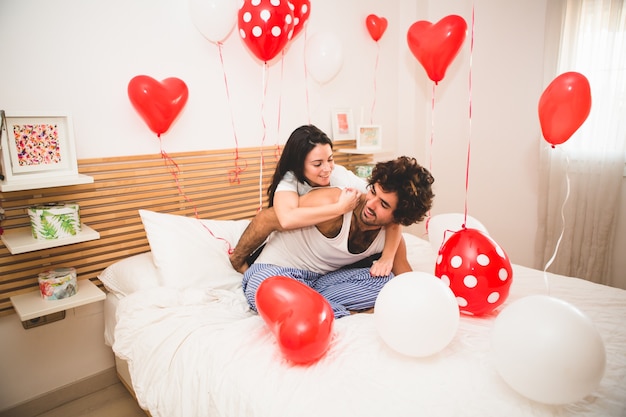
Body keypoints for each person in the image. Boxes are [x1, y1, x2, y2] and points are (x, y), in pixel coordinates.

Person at [237, 156, 435, 318]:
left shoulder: (391, 237)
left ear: (399, 217)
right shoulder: (334, 201)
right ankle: (345, 313)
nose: (370, 204)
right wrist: (237, 261)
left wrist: (429, 303)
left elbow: (408, 281)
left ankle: (312, 308)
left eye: (383, 205)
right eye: (373, 191)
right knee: (262, 286)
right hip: (277, 272)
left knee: (386, 281)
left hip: (321, 282)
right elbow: (267, 218)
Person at [230, 124, 403, 278]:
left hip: (332, 251)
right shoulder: (289, 182)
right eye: (317, 164)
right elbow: (285, 219)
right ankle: (237, 262)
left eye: (330, 159)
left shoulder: (340, 175)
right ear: (299, 164)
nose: (327, 169)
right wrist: (339, 208)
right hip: (298, 251)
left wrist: (387, 257)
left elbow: (389, 208)